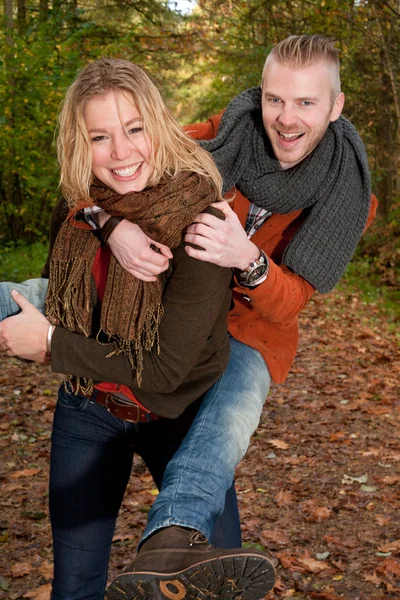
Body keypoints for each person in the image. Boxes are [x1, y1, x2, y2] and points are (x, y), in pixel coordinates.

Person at [91, 35, 377, 598]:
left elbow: (293, 299)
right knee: (31, 293)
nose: (286, 119)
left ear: (336, 106)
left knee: (234, 410)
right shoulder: (227, 132)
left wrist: (246, 259)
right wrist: (110, 224)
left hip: (251, 329)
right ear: (260, 95)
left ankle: (173, 537)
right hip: (166, 299)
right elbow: (116, 165)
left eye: (305, 103)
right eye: (275, 100)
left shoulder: (350, 192)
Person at [0, 58, 276, 600]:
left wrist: (51, 344)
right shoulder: (80, 209)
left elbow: (166, 369)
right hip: (88, 410)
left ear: (159, 125)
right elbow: (68, 281)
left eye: (134, 129)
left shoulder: (204, 222)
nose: (121, 153)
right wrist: (108, 224)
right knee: (75, 587)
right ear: (80, 144)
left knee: (214, 584)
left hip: (177, 414)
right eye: (99, 136)